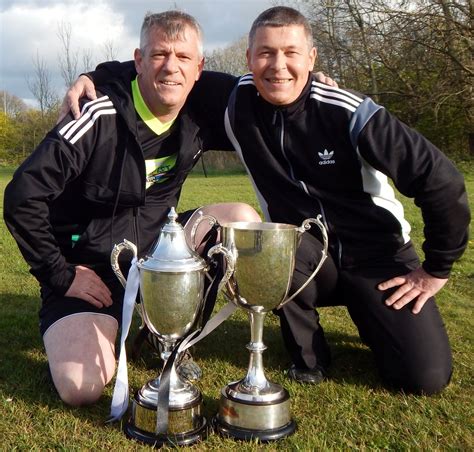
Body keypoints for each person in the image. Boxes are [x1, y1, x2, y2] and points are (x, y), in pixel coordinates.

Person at [64, 7, 470, 395]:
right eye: (266, 53)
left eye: (291, 53)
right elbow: (165, 67)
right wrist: (94, 75)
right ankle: (307, 357)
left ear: (311, 57)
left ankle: (373, 312)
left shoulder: (348, 111)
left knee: (423, 377)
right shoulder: (236, 100)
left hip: (379, 258)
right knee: (269, 247)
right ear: (249, 58)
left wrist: (435, 269)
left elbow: (441, 181)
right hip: (303, 256)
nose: (278, 66)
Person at [3, 11, 261, 407]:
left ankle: (172, 333)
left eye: (183, 57)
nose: (171, 67)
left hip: (161, 253)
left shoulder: (203, 108)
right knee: (80, 387)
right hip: (92, 266)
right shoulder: (96, 113)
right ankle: (106, 319)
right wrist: (62, 274)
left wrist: (315, 86)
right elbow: (22, 195)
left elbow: (274, 91)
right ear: (138, 60)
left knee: (241, 220)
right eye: (159, 55)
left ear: (199, 67)